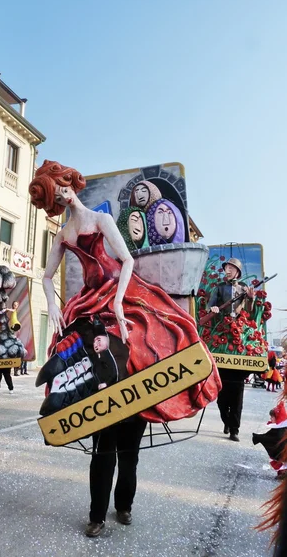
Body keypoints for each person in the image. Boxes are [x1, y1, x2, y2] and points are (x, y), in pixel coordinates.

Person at [29, 160, 220, 537]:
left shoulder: (100, 222)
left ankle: (125, 506)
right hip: (89, 302)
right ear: (54, 200)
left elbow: (128, 260)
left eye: (64, 187)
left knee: (131, 438)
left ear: (73, 186)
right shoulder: (62, 234)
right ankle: (97, 514)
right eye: (57, 193)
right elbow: (46, 275)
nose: (64, 195)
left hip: (118, 293)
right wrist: (51, 303)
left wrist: (117, 302)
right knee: (103, 446)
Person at [207, 257, 255, 442]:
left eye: (231, 267)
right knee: (221, 395)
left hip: (239, 339)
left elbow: (250, 312)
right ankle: (226, 420)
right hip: (222, 335)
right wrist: (214, 308)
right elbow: (209, 304)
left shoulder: (244, 288)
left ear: (237, 271)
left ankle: (234, 428)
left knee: (238, 391)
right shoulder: (219, 288)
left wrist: (250, 299)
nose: (227, 270)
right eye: (226, 267)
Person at [253, 403, 287, 477]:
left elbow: (272, 439)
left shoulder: (280, 430)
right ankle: (282, 472)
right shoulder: (281, 427)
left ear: (278, 417)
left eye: (272, 417)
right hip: (283, 452)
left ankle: (283, 472)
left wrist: (259, 438)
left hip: (282, 452)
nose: (270, 419)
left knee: (274, 460)